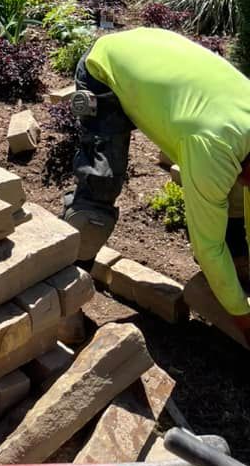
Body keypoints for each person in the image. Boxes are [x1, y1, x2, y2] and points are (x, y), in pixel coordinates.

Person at [61, 27, 250, 345]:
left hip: (155, 52)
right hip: (107, 68)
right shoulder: (212, 146)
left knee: (235, 192)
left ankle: (235, 267)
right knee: (99, 193)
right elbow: (207, 246)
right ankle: (64, 299)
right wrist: (243, 320)